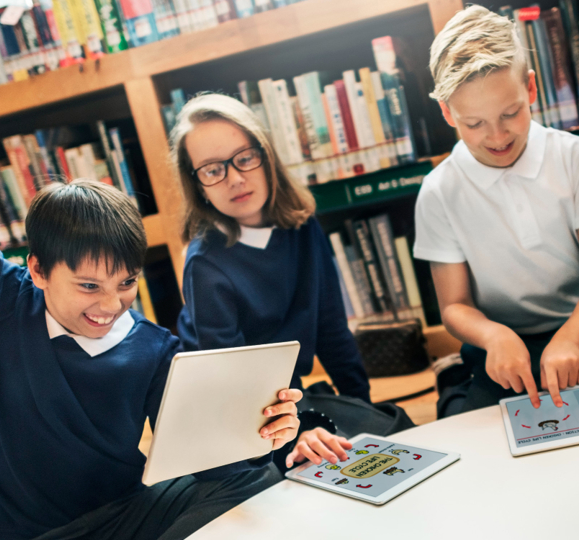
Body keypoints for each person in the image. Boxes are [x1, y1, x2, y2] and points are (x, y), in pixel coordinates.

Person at [0, 25, 303, 540]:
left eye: (126, 283)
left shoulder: (157, 350)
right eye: (89, 286)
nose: (112, 305)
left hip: (120, 520)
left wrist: (268, 436)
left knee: (257, 482)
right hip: (14, 535)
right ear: (38, 271)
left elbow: (217, 467)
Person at [171, 93, 415, 472]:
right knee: (304, 470)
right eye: (212, 169)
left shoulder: (302, 227)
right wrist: (295, 430)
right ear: (198, 184)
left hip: (288, 401)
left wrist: (362, 415)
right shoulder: (203, 265)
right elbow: (234, 385)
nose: (235, 178)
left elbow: (333, 331)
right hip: (234, 422)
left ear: (266, 156)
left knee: (391, 429)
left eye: (245, 158)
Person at [415, 5, 579, 418]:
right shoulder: (438, 191)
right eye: (474, 123)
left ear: (531, 89)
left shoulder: (574, 156)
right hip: (499, 347)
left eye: (510, 113)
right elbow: (454, 305)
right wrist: (494, 335)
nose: (496, 136)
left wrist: (569, 340)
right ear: (447, 113)